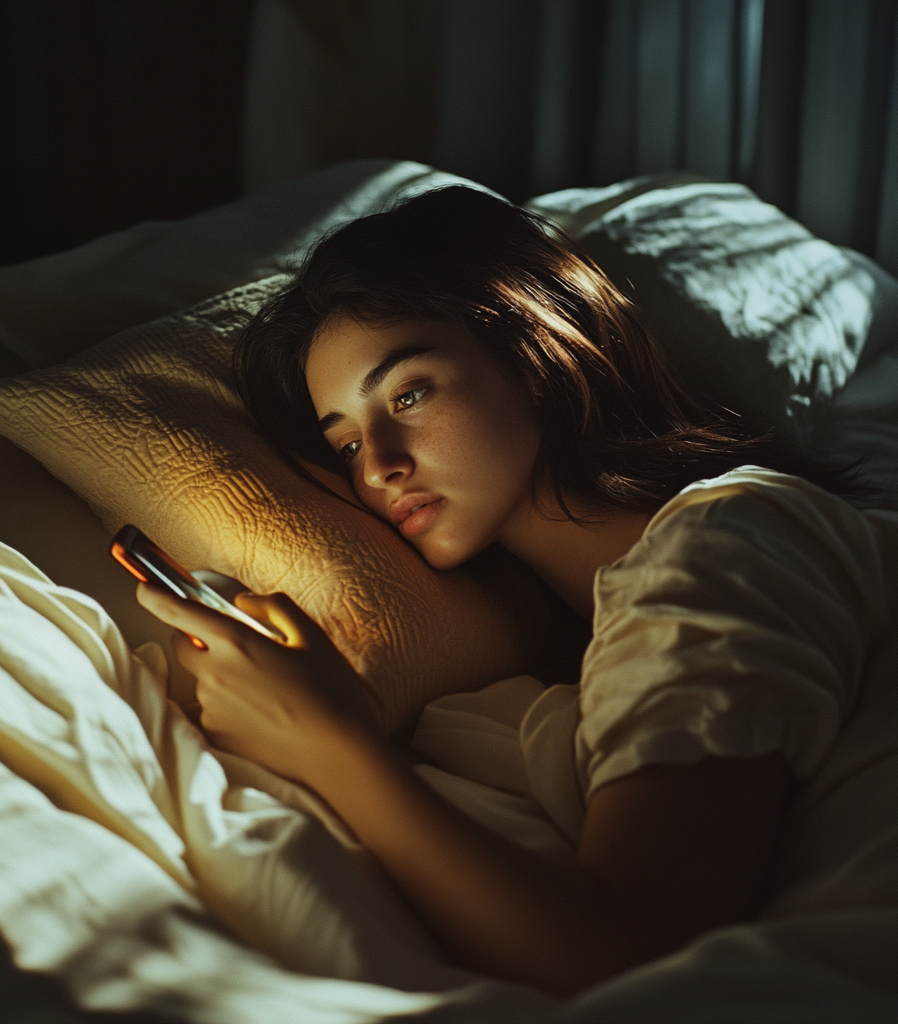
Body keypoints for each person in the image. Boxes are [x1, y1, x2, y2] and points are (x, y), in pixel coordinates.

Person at [136, 187, 893, 997]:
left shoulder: (726, 537)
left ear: (537, 350)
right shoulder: (606, 628)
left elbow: (624, 950)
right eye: (347, 442)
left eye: (409, 394)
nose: (378, 465)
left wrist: (330, 743)